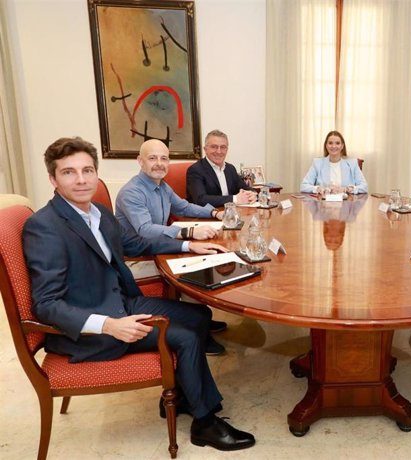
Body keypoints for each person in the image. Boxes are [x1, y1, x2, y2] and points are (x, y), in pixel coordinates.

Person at [23, 137, 256, 451]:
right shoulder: (45, 226)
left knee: (199, 315)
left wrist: (189, 245)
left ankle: (184, 395)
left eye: (87, 170)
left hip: (119, 300)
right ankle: (204, 422)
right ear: (52, 178)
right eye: (69, 172)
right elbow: (46, 304)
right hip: (92, 326)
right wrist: (108, 324)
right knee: (185, 337)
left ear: (96, 173)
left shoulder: (100, 214)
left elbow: (136, 244)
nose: (81, 179)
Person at [115, 139, 229, 354]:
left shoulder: (162, 186)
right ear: (140, 161)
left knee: (205, 253)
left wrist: (214, 213)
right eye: (152, 158)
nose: (159, 163)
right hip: (137, 259)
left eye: (164, 158)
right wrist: (188, 233)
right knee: (196, 265)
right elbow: (145, 230)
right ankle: (198, 326)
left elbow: (184, 206)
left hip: (158, 247)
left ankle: (199, 317)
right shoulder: (132, 192)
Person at [187, 129, 257, 207]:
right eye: (214, 147)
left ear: (227, 149)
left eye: (223, 147)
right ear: (205, 149)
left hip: (230, 214)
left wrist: (252, 194)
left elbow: (245, 188)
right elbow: (201, 199)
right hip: (207, 216)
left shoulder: (230, 169)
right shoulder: (196, 170)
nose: (219, 151)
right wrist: (235, 199)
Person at [299, 131, 368, 194]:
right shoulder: (317, 163)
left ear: (342, 146)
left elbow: (364, 187)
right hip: (323, 205)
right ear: (326, 145)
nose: (334, 146)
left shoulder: (353, 164)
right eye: (330, 143)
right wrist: (318, 189)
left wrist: (346, 189)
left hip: (346, 204)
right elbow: (303, 186)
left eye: (337, 143)